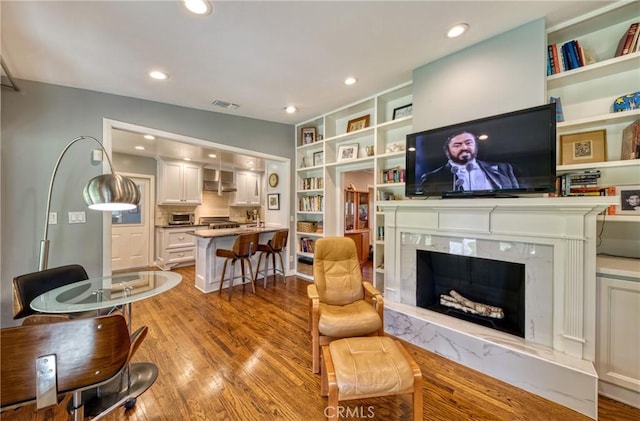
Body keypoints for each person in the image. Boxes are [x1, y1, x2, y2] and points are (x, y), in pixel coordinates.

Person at [418, 131, 520, 192]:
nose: (464, 147)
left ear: (475, 145)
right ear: (447, 150)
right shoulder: (431, 178)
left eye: (468, 143)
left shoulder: (504, 168)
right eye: (457, 145)